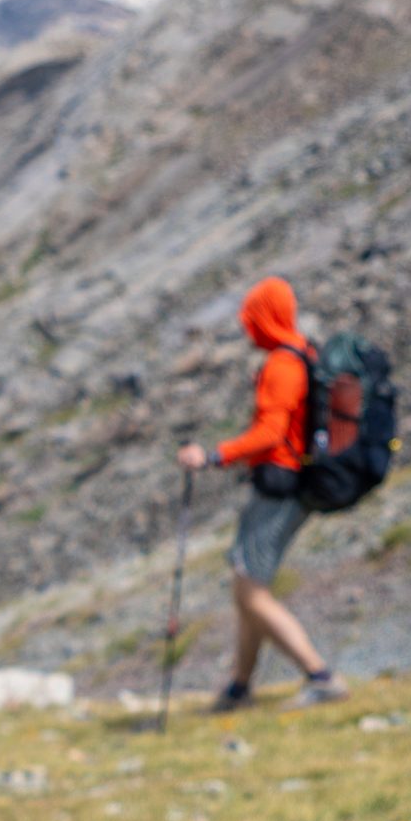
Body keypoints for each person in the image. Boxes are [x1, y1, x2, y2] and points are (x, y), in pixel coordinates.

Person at [176, 277, 346, 711]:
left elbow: (269, 434)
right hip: (295, 482)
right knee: (249, 585)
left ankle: (320, 675)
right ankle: (239, 686)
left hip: (279, 486)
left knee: (249, 591)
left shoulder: (282, 365)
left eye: (251, 319)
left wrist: (213, 456)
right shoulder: (302, 352)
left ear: (264, 319)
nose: (246, 328)